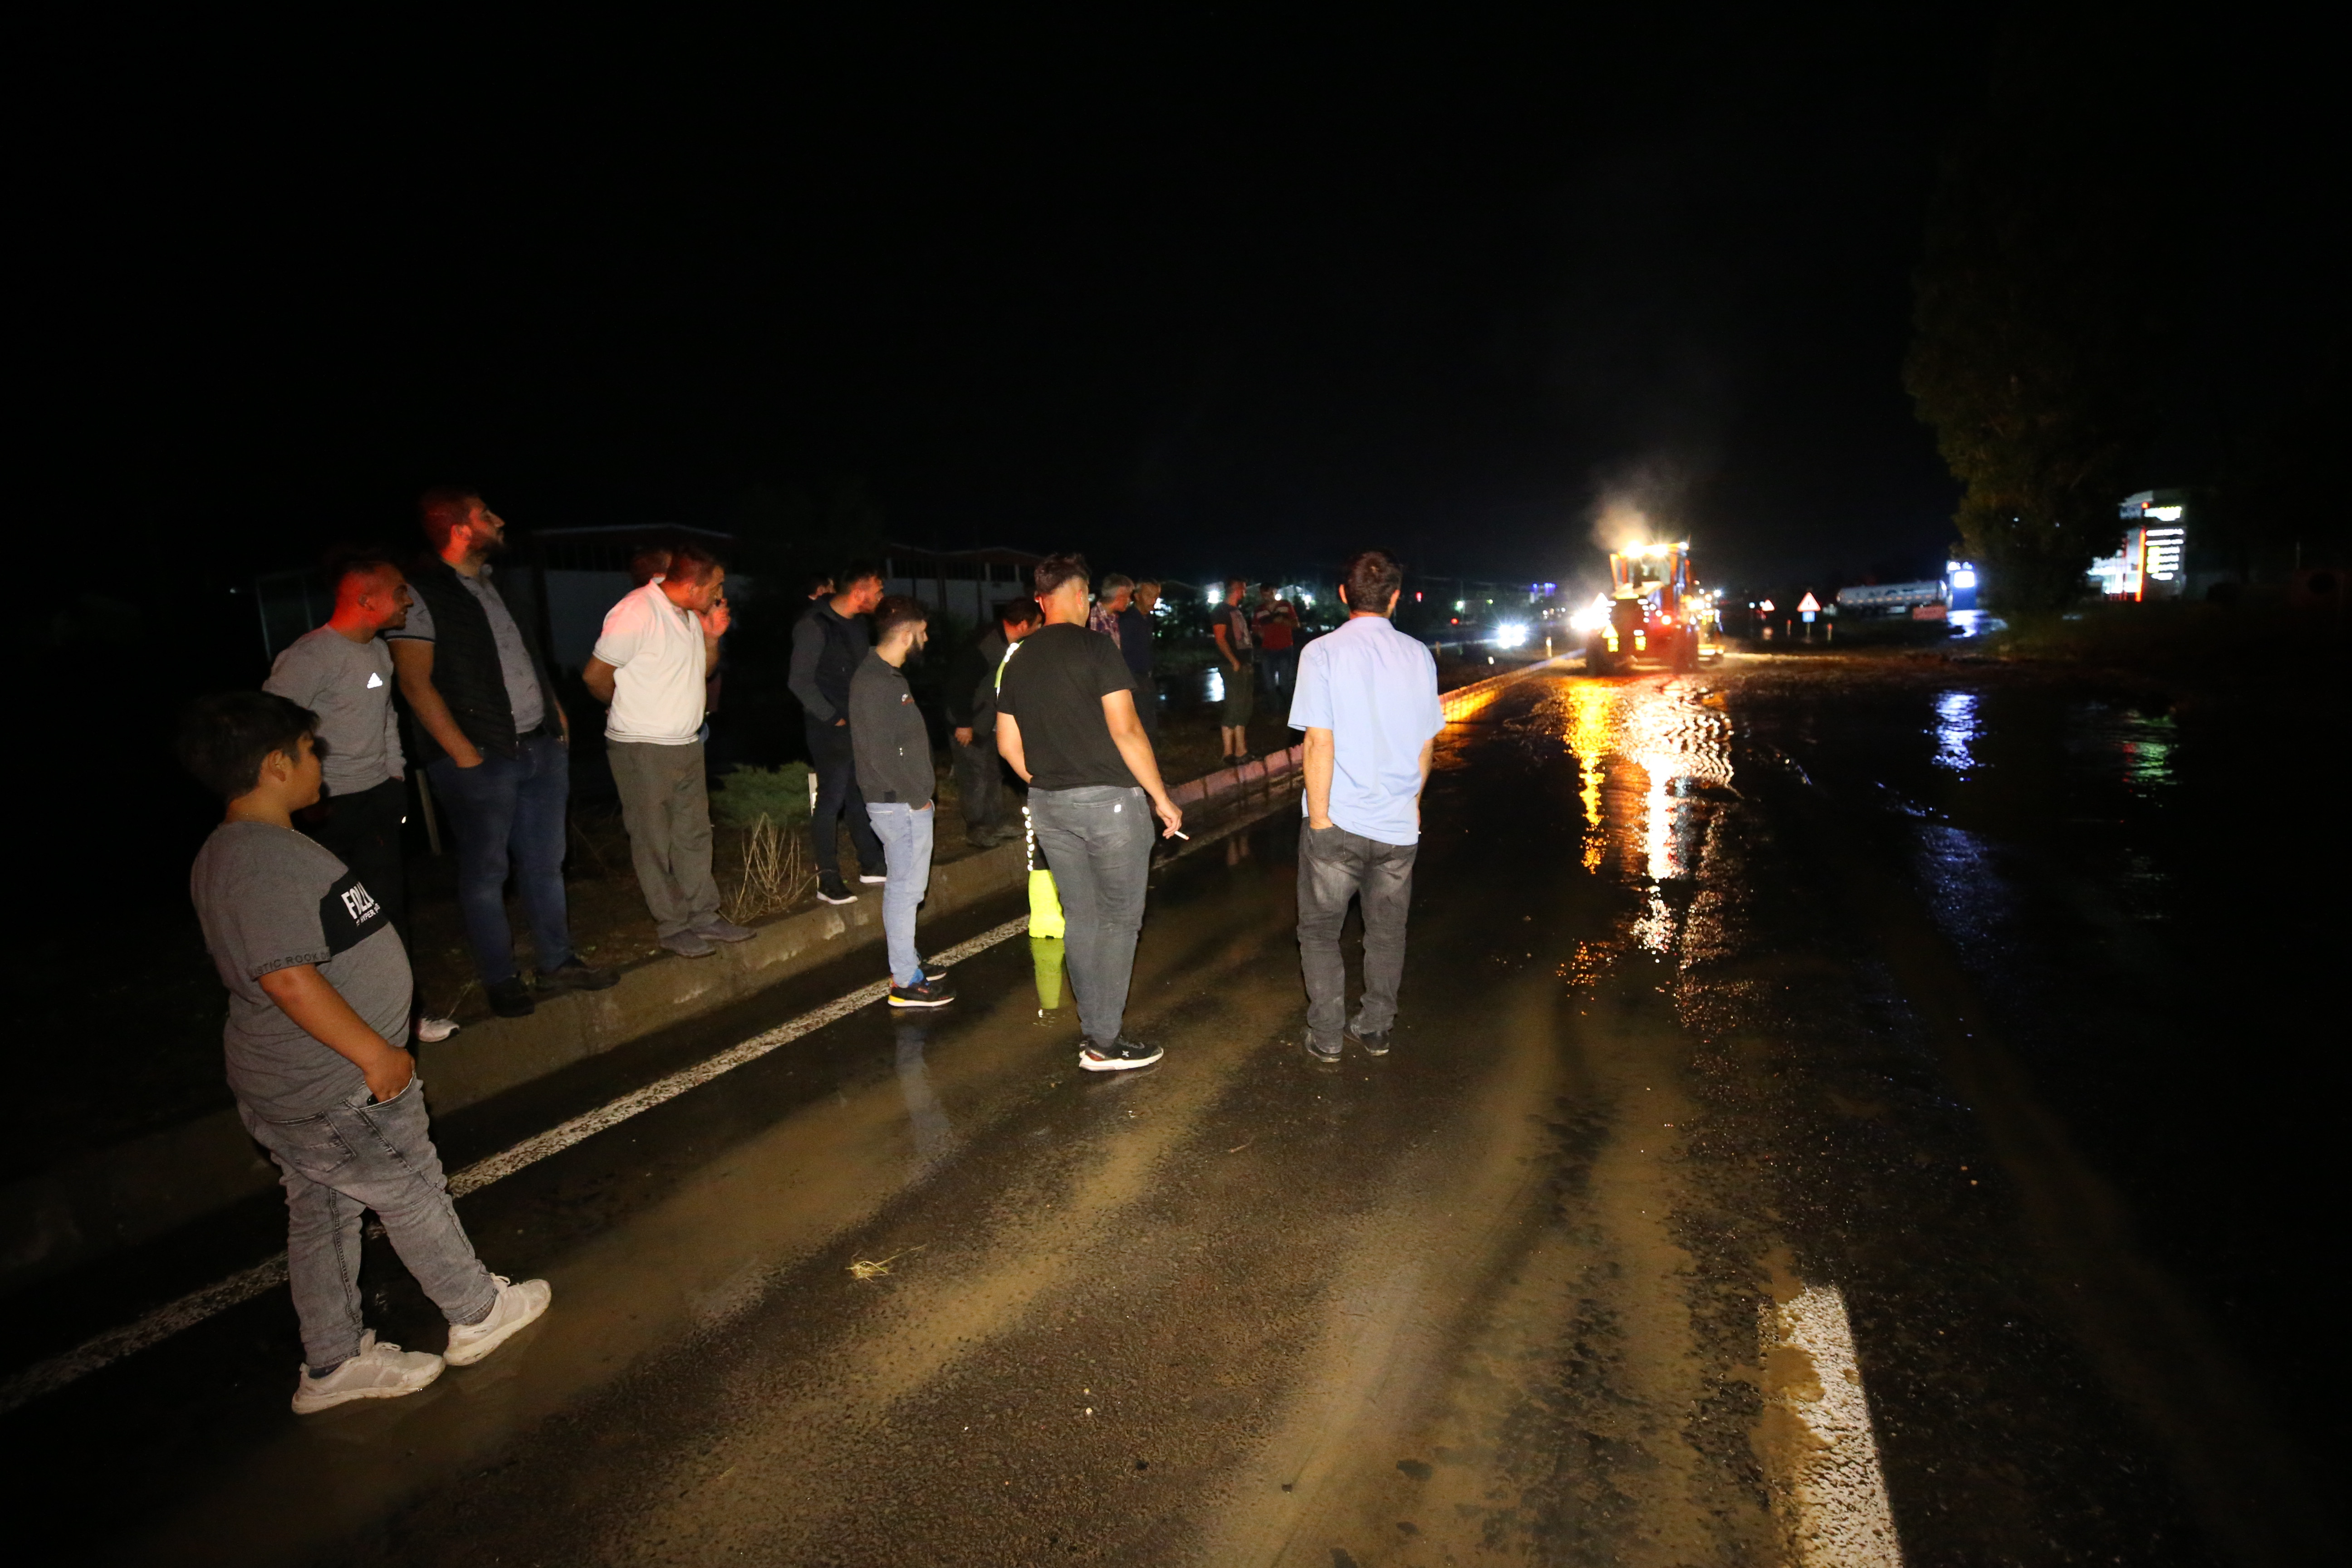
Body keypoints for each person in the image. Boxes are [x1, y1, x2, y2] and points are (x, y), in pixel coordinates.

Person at [179, 691, 551, 1415]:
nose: (321, 760)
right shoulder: (258, 861)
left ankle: (333, 1361)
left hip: (294, 1085)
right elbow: (287, 978)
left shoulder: (245, 848)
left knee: (321, 1211)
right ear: (276, 764)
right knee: (409, 1187)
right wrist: (375, 1055)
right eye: (311, 749)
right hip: (335, 1085)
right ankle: (477, 1313)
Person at [388, 490, 615, 1018]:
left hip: (537, 745)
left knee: (544, 865)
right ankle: (501, 978)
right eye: (487, 515)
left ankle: (557, 964)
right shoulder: (423, 594)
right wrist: (462, 753)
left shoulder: (497, 586)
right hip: (482, 756)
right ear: (460, 529)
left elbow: (527, 655)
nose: (500, 520)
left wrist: (556, 714)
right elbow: (416, 684)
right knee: (487, 872)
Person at [996, 554, 1184, 1072]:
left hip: (1050, 806)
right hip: (1111, 806)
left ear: (1041, 600)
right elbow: (1126, 731)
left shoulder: (1017, 658)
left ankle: (1095, 1032)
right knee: (1120, 921)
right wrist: (1162, 798)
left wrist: (1047, 781)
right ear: (1080, 597)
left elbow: (1008, 745)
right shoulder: (1097, 647)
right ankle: (1105, 1040)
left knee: (1080, 918)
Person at [265, 555, 458, 1044]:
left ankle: (404, 1018)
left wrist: (396, 776)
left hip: (377, 799)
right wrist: (296, 800)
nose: (408, 601)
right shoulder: (308, 658)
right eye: (400, 592)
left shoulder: (378, 653)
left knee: (389, 912)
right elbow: (270, 729)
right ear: (366, 599)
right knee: (330, 925)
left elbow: (386, 717)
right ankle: (340, 1031)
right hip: (323, 810)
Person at [1288, 549, 1445, 1063]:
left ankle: (1328, 1035)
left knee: (1318, 931)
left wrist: (1320, 818)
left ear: (1342, 595)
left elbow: (1318, 742)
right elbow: (1426, 743)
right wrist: (1414, 804)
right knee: (1386, 932)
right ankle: (1376, 1028)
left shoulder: (1322, 653)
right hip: (1398, 825)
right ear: (1395, 598)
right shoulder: (1419, 655)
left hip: (1339, 821)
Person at [582, 543, 750, 959]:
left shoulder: (689, 614)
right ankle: (673, 925)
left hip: (687, 743)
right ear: (693, 586)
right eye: (716, 586)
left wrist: (711, 637)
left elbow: (703, 670)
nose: (720, 594)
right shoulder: (636, 611)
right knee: (653, 839)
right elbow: (595, 676)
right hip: (643, 747)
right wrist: (625, 706)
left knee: (693, 833)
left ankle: (705, 916)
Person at [851, 596, 957, 1008]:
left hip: (902, 801)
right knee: (904, 889)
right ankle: (905, 980)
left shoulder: (884, 676)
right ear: (908, 633)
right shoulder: (877, 682)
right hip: (899, 804)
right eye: (924, 632)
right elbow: (878, 754)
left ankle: (908, 960)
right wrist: (915, 799)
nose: (927, 639)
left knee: (910, 888)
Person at [789, 564, 889, 904]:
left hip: (857, 726)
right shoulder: (814, 626)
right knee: (830, 801)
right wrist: (834, 718)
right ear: (859, 592)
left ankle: (872, 864)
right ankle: (827, 879)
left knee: (858, 795)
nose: (881, 596)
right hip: (829, 730)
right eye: (877, 590)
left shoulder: (858, 626)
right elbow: (799, 681)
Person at [945, 597, 1042, 847]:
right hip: (969, 722)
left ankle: (996, 823)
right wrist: (964, 723)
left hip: (988, 721)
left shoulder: (1008, 643)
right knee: (975, 778)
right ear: (1023, 624)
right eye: (1037, 624)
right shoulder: (984, 645)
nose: (1039, 629)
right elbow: (959, 686)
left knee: (993, 772)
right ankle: (978, 829)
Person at [1212, 578, 1258, 764]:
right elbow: (1220, 639)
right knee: (1234, 705)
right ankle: (1227, 753)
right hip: (1232, 666)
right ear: (1237, 589)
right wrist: (1234, 661)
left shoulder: (1236, 611)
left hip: (1245, 663)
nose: (1245, 592)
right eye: (1244, 589)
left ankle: (1241, 750)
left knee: (1244, 707)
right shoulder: (1221, 611)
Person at [1117, 578, 1162, 742]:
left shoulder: (1148, 619)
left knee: (1150, 718)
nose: (1154, 601)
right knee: (1143, 722)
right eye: (1150, 596)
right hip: (1134, 677)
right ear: (1137, 596)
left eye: (1157, 596)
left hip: (1146, 675)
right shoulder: (1128, 620)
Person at [1254, 584, 1301, 715]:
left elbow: (1296, 624)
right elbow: (1255, 628)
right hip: (1267, 649)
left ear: (1274, 592)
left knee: (1285, 683)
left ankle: (1291, 711)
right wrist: (1259, 633)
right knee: (1269, 685)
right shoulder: (1259, 610)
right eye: (1264, 595)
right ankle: (1275, 713)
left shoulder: (1286, 606)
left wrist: (1283, 621)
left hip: (1285, 648)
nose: (1266, 597)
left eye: (1269, 594)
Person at [1088, 573, 1133, 646]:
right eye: (1128, 596)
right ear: (1120, 595)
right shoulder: (1095, 617)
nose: (1130, 600)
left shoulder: (1114, 617)